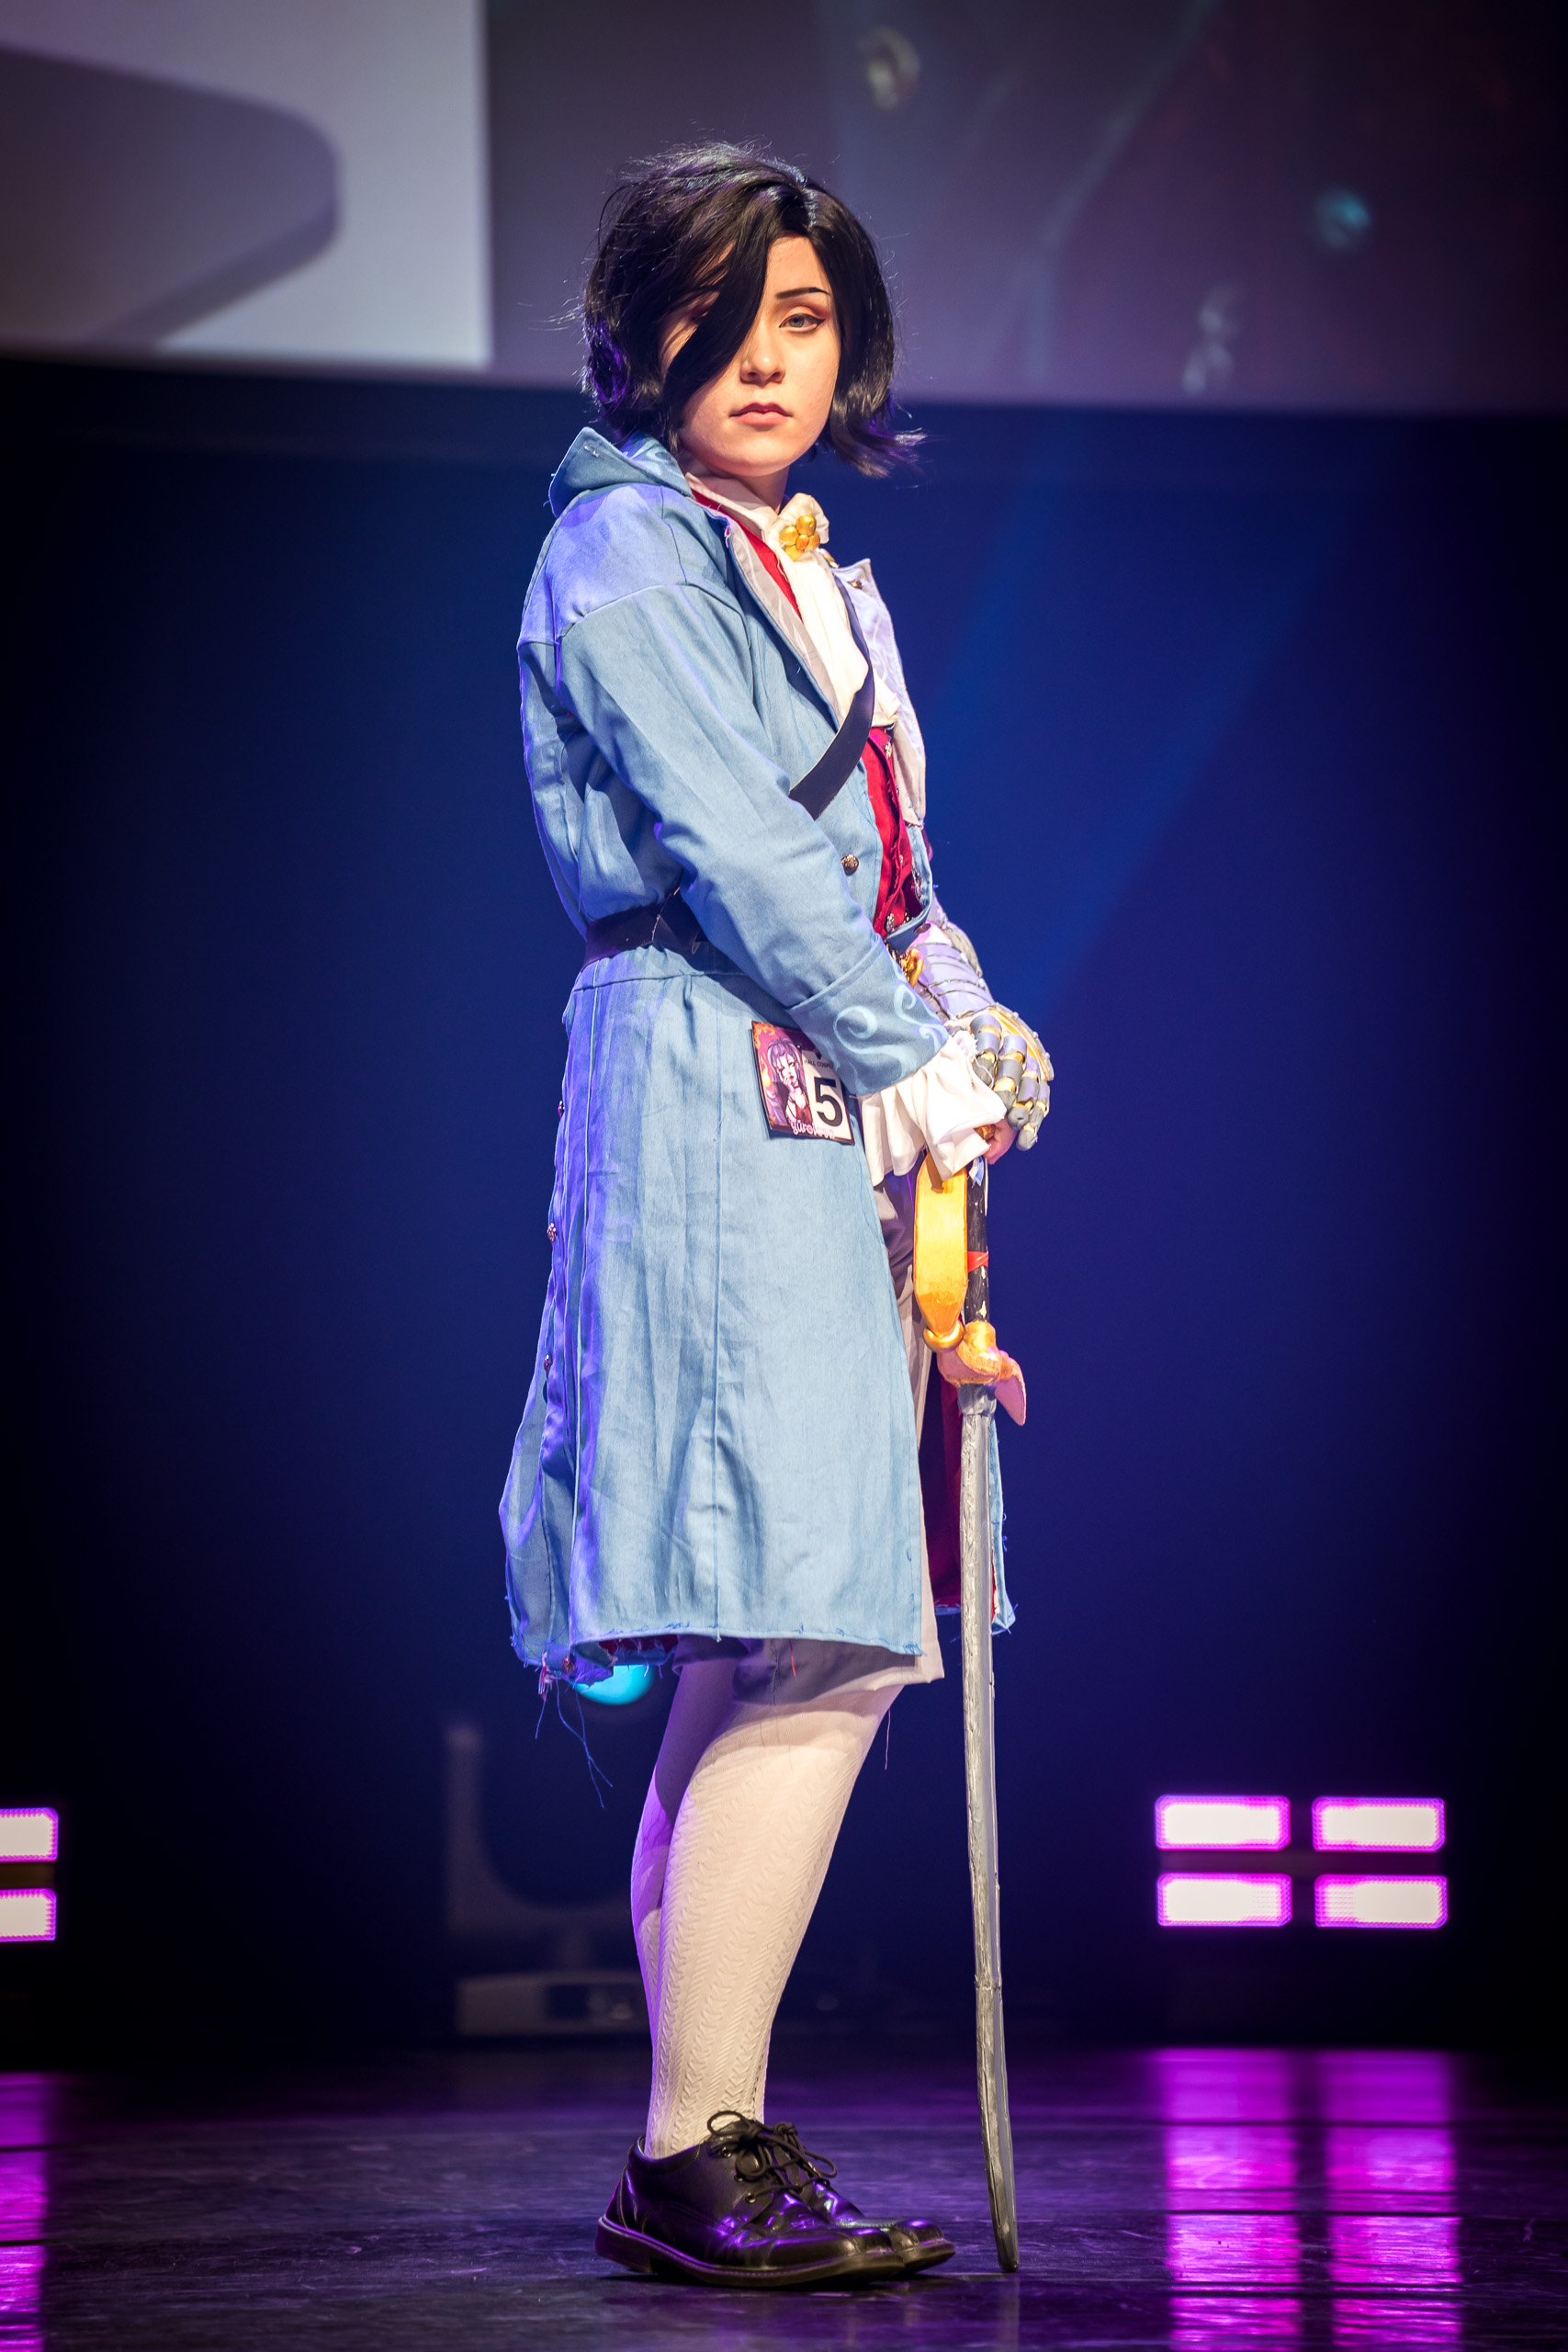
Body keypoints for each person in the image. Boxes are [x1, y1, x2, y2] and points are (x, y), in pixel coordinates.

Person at [501, 143, 1052, 2288]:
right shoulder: (623, 548)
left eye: (800, 316)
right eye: (716, 312)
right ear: (636, 331)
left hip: (829, 1092)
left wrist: (964, 1021)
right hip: (713, 1074)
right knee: (815, 1615)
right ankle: (692, 2140)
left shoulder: (828, 575)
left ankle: (699, 2131)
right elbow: (733, 849)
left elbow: (891, 878)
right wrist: (901, 1044)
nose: (761, 355)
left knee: (793, 1627)